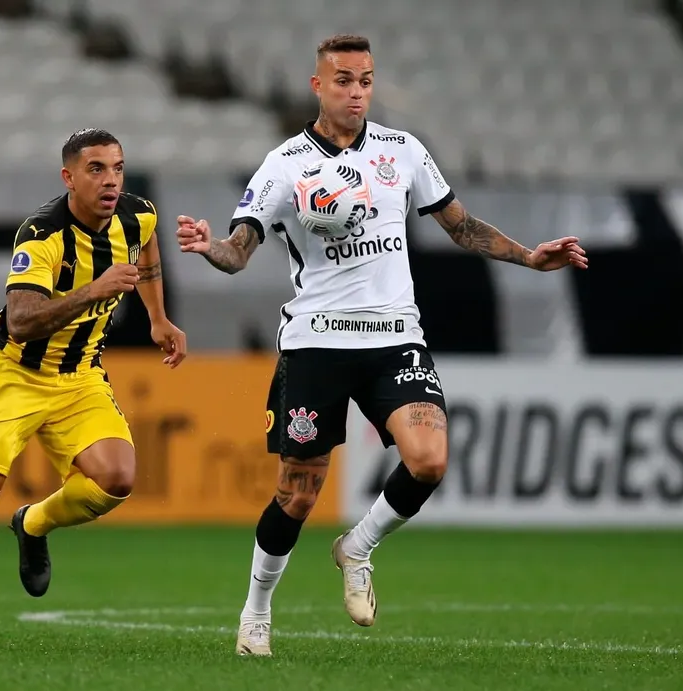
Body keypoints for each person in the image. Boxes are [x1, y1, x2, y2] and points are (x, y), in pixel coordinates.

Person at [176, 34, 587, 657]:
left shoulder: (404, 151)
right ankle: (256, 611)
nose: (356, 91)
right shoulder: (285, 164)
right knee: (299, 491)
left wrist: (529, 257)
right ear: (319, 86)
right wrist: (211, 247)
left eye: (365, 80)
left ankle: (357, 547)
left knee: (429, 459)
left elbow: (461, 226)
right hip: (316, 341)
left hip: (396, 337)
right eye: (343, 80)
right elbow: (240, 248)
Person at [0, 128, 187, 645]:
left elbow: (149, 245)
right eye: (96, 169)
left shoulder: (138, 214)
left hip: (80, 375)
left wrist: (158, 317)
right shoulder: (41, 234)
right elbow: (21, 320)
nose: (110, 180)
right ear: (68, 177)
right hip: (16, 374)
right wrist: (96, 289)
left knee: (116, 478)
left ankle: (32, 524)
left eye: (117, 168)